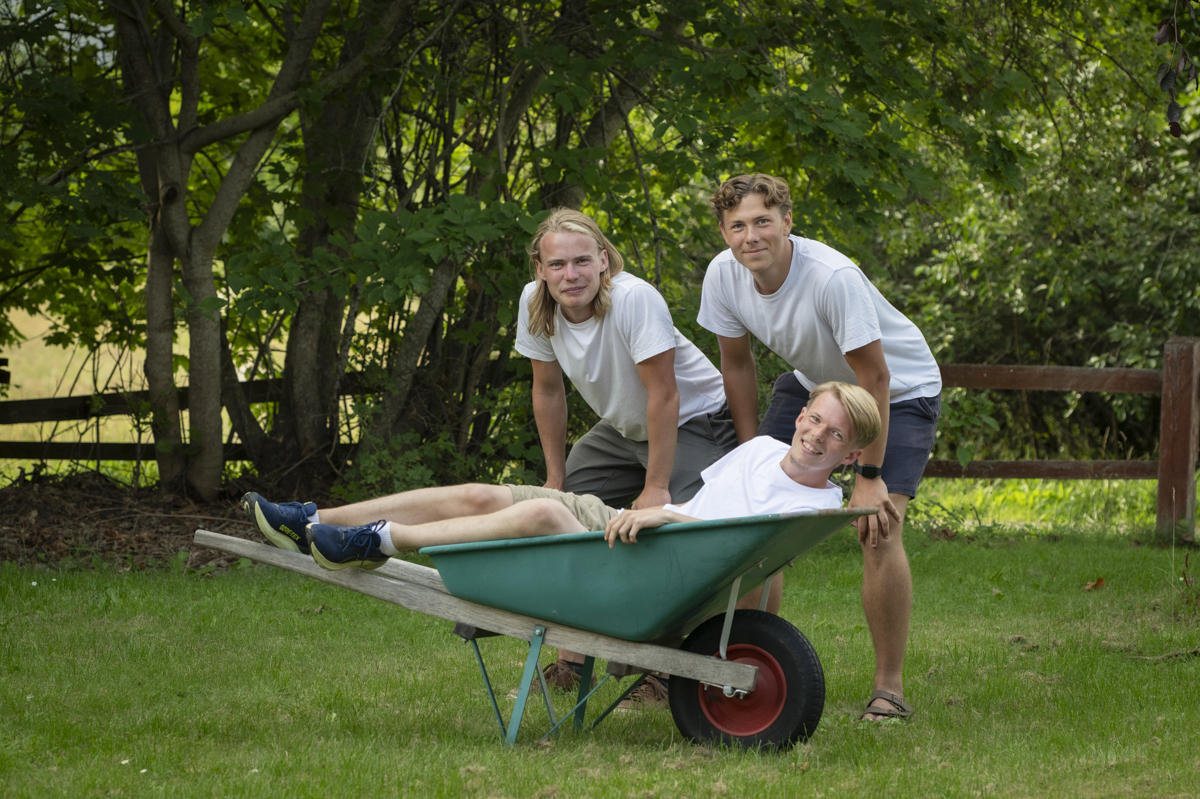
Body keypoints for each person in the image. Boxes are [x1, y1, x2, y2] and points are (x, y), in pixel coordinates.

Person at [241, 382, 880, 707]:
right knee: (482, 496)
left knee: (545, 511)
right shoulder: (761, 448)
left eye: (836, 435)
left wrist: (662, 524)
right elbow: (699, 509)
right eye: (814, 418)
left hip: (654, 575)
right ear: (801, 414)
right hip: (640, 533)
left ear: (851, 455)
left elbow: (733, 546)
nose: (817, 435)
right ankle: (312, 518)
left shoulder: (817, 505)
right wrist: (654, 515)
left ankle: (380, 540)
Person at [697, 173, 942, 722]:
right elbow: (736, 364)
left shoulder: (832, 278)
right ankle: (749, 660)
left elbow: (875, 377)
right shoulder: (723, 275)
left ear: (788, 221)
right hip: (818, 386)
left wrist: (869, 476)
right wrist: (750, 457)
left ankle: (889, 689)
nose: (751, 237)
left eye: (763, 221)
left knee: (877, 528)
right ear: (724, 232)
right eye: (737, 226)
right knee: (751, 518)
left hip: (898, 392)